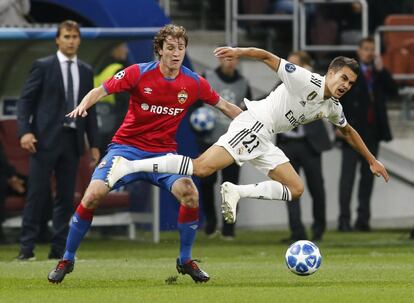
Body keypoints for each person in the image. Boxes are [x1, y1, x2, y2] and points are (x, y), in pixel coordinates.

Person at [107, 46, 390, 231]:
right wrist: (238, 51)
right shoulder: (305, 79)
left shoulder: (331, 106)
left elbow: (348, 131)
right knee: (203, 167)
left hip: (266, 139)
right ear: (330, 73)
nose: (345, 85)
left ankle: (237, 191)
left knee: (295, 188)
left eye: (350, 83)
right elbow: (268, 57)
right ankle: (128, 167)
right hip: (254, 123)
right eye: (342, 78)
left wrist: (372, 160)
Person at [47, 24, 242, 284]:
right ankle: (67, 258)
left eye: (181, 48)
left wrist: (255, 124)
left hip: (163, 155)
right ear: (159, 50)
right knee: (92, 195)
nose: (176, 54)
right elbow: (101, 90)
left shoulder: (193, 82)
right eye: (170, 48)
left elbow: (225, 106)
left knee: (189, 193)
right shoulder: (138, 73)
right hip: (126, 150)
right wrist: (84, 103)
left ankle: (185, 260)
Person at [17, 20, 99, 260]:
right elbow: (25, 101)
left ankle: (58, 250)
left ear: (79, 40)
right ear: (57, 39)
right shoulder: (42, 66)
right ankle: (26, 250)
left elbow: (90, 110)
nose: (71, 41)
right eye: (66, 36)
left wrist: (93, 144)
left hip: (72, 141)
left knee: (66, 197)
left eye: (74, 36)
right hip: (43, 140)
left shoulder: (86, 70)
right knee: (37, 194)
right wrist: (25, 131)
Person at [337, 37, 398, 232]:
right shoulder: (350, 74)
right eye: (366, 49)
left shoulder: (378, 74)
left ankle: (363, 220)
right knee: (347, 179)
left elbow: (394, 91)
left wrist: (382, 71)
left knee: (368, 178)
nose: (369, 53)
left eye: (372, 49)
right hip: (351, 133)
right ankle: (344, 220)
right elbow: (338, 99)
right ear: (359, 50)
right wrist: (337, 127)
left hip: (372, 133)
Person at [277, 51, 332, 242]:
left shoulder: (315, 83)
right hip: (287, 145)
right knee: (290, 190)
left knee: (317, 188)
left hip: (310, 145)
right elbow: (266, 99)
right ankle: (297, 232)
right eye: (287, 64)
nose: (288, 69)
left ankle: (318, 230)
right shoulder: (282, 84)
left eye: (293, 65)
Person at [196, 55, 252, 239]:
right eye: (227, 58)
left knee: (231, 185)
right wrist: (198, 131)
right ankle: (211, 224)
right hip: (209, 140)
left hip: (233, 144)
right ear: (220, 60)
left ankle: (229, 228)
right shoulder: (208, 77)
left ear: (238, 62)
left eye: (234, 59)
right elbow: (195, 106)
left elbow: (250, 114)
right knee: (206, 183)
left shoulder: (244, 83)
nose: (230, 62)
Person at [94, 43, 130, 155]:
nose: (126, 51)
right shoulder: (120, 70)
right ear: (114, 50)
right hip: (116, 126)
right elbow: (127, 102)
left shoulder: (98, 69)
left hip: (99, 126)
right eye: (123, 47)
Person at [0, 142, 26, 244]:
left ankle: (42, 228)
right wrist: (11, 178)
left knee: (37, 183)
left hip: (7, 175)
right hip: (4, 179)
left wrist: (13, 177)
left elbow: (3, 160)